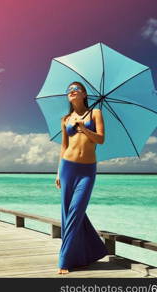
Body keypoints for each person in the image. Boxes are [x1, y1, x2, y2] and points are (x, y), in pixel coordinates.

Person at [55, 81, 108, 275]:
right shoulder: (65, 119)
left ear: (84, 94)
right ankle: (87, 254)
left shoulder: (96, 114)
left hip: (87, 170)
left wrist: (84, 128)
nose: (72, 92)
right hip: (68, 167)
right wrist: (58, 172)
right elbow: (63, 147)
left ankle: (65, 259)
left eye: (76, 89)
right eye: (69, 90)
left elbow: (101, 139)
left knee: (76, 210)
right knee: (67, 212)